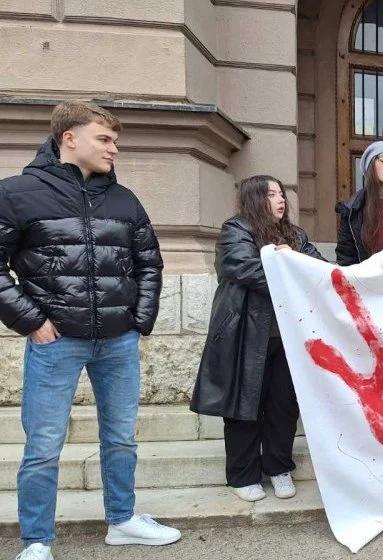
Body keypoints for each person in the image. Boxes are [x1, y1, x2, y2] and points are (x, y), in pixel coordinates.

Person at [0, 101, 181, 560]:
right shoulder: (16, 193)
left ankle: (122, 521)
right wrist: (32, 321)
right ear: (69, 138)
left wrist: (139, 321)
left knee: (121, 437)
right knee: (43, 446)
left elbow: (149, 264)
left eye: (114, 140)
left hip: (118, 341)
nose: (114, 149)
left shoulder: (124, 200)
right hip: (55, 342)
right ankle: (37, 541)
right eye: (104, 138)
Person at [190, 175, 325, 502]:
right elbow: (242, 267)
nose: (281, 200)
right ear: (254, 199)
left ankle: (279, 467)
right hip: (246, 335)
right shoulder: (235, 230)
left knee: (284, 405)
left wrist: (290, 257)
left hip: (288, 336)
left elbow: (318, 267)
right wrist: (281, 263)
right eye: (271, 194)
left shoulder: (295, 235)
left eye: (281, 194)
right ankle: (242, 474)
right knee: (243, 405)